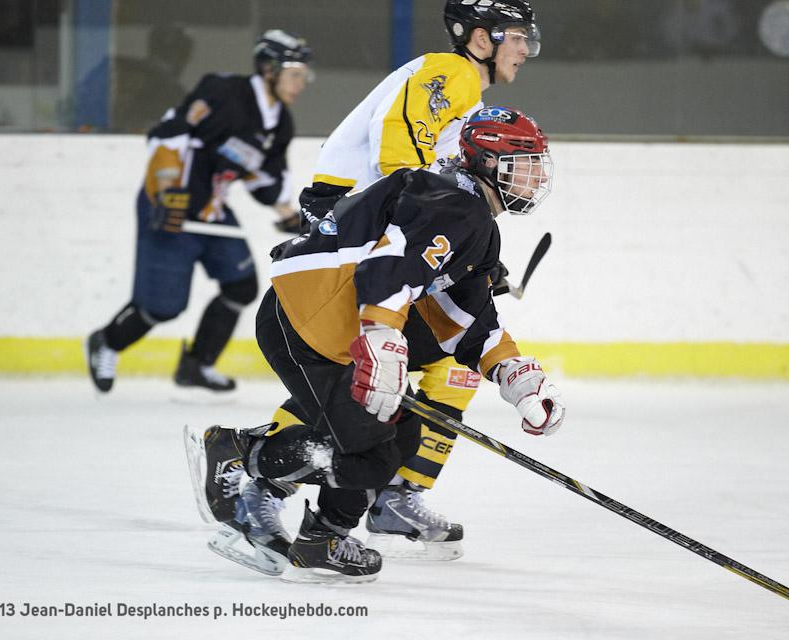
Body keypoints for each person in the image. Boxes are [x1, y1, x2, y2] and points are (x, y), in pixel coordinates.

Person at [186, 0, 545, 573]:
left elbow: (439, 208)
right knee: (370, 373)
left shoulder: (468, 101)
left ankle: (371, 494)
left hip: (372, 219)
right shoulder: (450, 72)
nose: (526, 49)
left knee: (416, 371)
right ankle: (262, 464)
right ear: (481, 38)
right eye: (517, 38)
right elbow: (398, 149)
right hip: (359, 218)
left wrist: (459, 261)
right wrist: (424, 223)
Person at [85, 30, 312, 395]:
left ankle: (196, 364)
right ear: (269, 70)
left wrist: (289, 213)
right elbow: (168, 134)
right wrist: (166, 192)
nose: (302, 83)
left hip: (212, 211)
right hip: (171, 206)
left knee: (240, 286)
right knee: (162, 307)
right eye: (295, 73)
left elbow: (263, 177)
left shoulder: (279, 123)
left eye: (304, 75)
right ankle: (107, 342)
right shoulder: (222, 92)